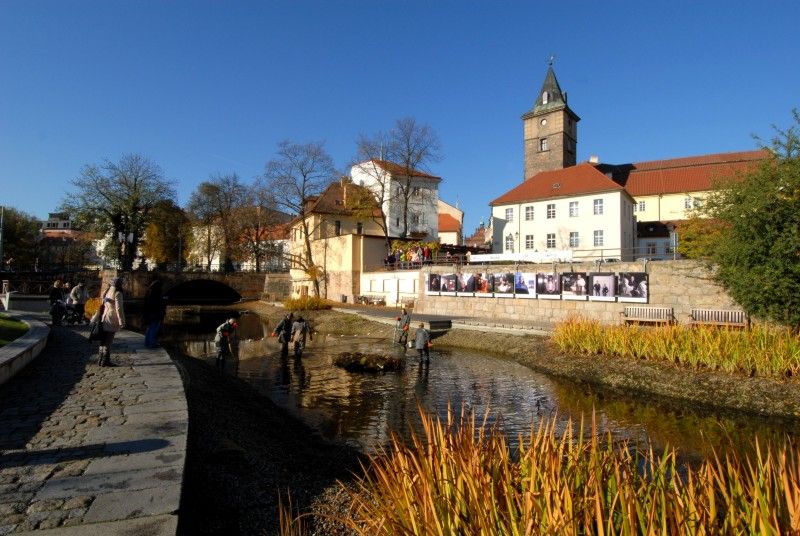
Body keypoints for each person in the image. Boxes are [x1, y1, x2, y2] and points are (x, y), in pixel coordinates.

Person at [96, 277, 125, 367]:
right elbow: (119, 309)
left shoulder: (107, 291)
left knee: (103, 339)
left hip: (104, 317)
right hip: (112, 318)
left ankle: (100, 360)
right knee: (108, 340)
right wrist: (121, 321)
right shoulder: (118, 293)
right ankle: (105, 361)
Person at [143, 280, 166, 348]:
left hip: (149, 314)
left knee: (149, 328)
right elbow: (158, 305)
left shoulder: (149, 293)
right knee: (154, 328)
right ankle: (152, 343)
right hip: (155, 314)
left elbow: (146, 304)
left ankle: (147, 342)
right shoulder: (157, 295)